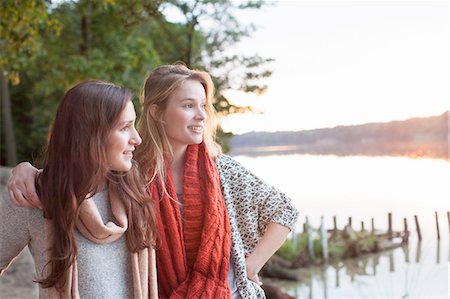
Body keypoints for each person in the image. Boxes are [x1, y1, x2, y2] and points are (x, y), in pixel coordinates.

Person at [8, 65, 299, 299]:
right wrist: (30, 172)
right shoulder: (130, 173)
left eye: (202, 106)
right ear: (158, 113)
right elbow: (80, 170)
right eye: (188, 105)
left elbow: (284, 210)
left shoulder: (221, 171)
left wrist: (250, 265)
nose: (201, 115)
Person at [2, 81, 158, 299]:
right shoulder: (35, 196)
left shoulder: (137, 192)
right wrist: (28, 172)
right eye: (124, 128)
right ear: (90, 134)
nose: (137, 139)